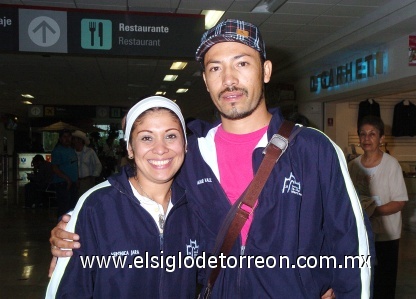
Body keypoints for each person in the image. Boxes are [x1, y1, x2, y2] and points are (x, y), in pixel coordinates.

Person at [49, 19, 372, 298]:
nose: (229, 79)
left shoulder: (312, 149)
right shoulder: (189, 156)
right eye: (215, 68)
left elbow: (352, 246)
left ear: (266, 71)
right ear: (205, 80)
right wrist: (71, 230)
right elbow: (136, 199)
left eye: (242, 63)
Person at [46, 96, 202, 298]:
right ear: (129, 148)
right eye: (146, 137)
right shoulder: (97, 206)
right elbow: (68, 291)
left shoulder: (196, 204)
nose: (161, 148)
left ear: (185, 144)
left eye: (171, 136)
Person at [348, 116, 408, 299]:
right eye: (363, 134)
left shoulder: (391, 165)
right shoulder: (352, 166)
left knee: (384, 282)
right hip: (362, 235)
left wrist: (372, 211)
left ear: (381, 139)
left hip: (386, 236)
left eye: (372, 134)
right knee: (364, 280)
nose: (366, 139)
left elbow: (400, 202)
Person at [51, 129, 79, 218]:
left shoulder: (71, 150)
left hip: (73, 183)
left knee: (72, 208)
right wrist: (67, 179)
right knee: (64, 209)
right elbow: (55, 168)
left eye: (69, 137)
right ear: (60, 138)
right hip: (63, 183)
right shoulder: (57, 151)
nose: (67, 139)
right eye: (64, 137)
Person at [71, 130, 102, 196]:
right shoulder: (71, 152)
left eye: (75, 140)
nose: (73, 142)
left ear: (80, 141)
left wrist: (94, 176)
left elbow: (98, 165)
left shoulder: (90, 152)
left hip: (86, 181)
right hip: (74, 181)